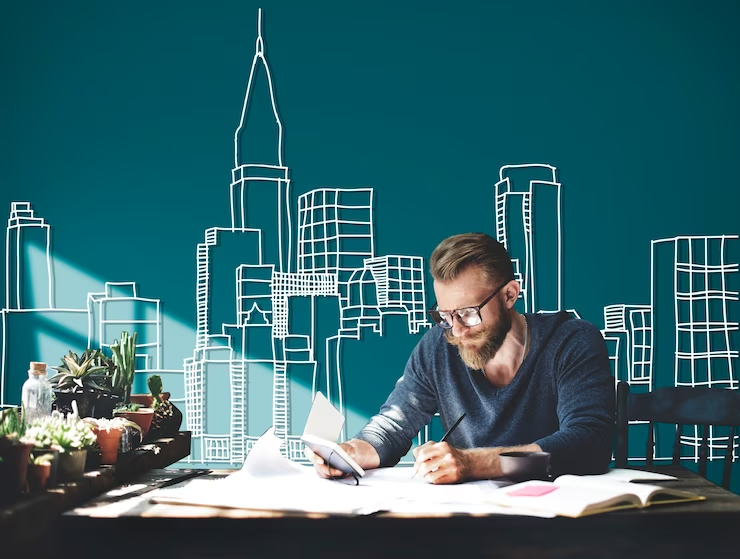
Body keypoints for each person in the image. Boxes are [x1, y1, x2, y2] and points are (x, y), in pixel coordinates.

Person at [310, 232, 615, 484]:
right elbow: (393, 425)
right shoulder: (438, 346)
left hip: (559, 521)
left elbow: (589, 444)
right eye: (444, 314)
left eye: (469, 313)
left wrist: (475, 463)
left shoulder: (571, 341)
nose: (456, 331)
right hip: (470, 520)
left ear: (509, 295)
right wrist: (352, 451)